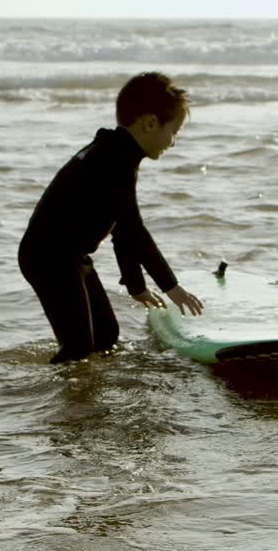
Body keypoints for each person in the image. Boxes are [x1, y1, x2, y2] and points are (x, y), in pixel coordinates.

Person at [18, 71, 204, 363]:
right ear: (150, 123)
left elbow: (121, 230)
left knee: (105, 337)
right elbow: (134, 230)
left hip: (69, 255)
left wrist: (137, 285)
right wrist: (172, 287)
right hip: (49, 256)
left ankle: (81, 393)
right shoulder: (115, 161)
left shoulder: (116, 151)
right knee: (77, 347)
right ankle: (53, 399)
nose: (173, 141)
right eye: (174, 131)